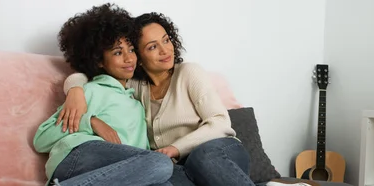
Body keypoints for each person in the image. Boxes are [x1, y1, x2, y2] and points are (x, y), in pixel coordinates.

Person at [58, 12, 255, 186]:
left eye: (166, 40)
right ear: (139, 57)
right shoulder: (133, 86)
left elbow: (220, 123)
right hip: (181, 168)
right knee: (159, 180)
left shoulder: (189, 73)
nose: (165, 50)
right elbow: (88, 75)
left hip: (219, 152)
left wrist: (174, 148)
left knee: (202, 156)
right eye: (153, 47)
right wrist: (75, 90)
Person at [32, 4, 173, 186]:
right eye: (117, 52)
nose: (129, 58)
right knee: (160, 164)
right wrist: (91, 122)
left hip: (108, 172)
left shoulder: (137, 105)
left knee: (163, 182)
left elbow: (139, 164)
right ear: (98, 60)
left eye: (131, 50)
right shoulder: (93, 90)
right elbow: (41, 139)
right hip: (77, 155)